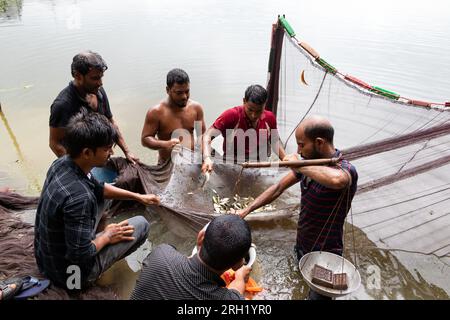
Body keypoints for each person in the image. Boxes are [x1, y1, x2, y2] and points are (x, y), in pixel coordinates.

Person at [236, 115, 358, 300]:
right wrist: (246, 210)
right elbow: (277, 188)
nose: (298, 150)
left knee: (317, 297)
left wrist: (299, 165)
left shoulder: (345, 169)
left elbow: (337, 180)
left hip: (326, 254)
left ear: (319, 143)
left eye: (301, 145)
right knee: (299, 286)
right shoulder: (307, 165)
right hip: (302, 243)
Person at [35, 112, 160, 290]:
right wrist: (107, 236)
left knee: (105, 198)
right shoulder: (80, 198)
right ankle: (97, 274)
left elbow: (99, 188)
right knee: (141, 225)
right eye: (107, 148)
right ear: (87, 152)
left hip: (46, 259)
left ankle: (94, 237)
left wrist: (139, 197)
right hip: (70, 276)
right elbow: (79, 255)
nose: (112, 152)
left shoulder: (62, 163)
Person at [130, 215, 252, 300]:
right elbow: (236, 294)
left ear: (200, 238)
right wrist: (240, 277)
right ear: (238, 265)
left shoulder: (161, 254)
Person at [49, 50, 139, 164]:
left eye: (101, 77)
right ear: (78, 76)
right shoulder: (62, 105)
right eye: (95, 78)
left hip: (99, 156)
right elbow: (55, 143)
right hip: (83, 161)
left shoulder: (98, 91)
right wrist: (79, 168)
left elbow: (110, 122)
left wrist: (127, 151)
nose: (100, 83)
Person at [202, 84, 286, 173]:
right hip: (232, 165)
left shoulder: (269, 118)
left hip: (259, 165)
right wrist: (207, 158)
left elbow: (275, 141)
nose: (254, 115)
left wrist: (285, 158)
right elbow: (207, 135)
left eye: (258, 111)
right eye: (250, 110)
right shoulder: (232, 115)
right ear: (244, 101)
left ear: (264, 105)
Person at [141, 68, 206, 164]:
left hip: (192, 161)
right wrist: (166, 144)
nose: (184, 97)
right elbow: (145, 139)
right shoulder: (156, 112)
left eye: (187, 91)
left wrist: (204, 156)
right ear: (168, 90)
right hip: (167, 163)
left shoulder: (196, 108)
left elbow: (203, 135)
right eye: (179, 93)